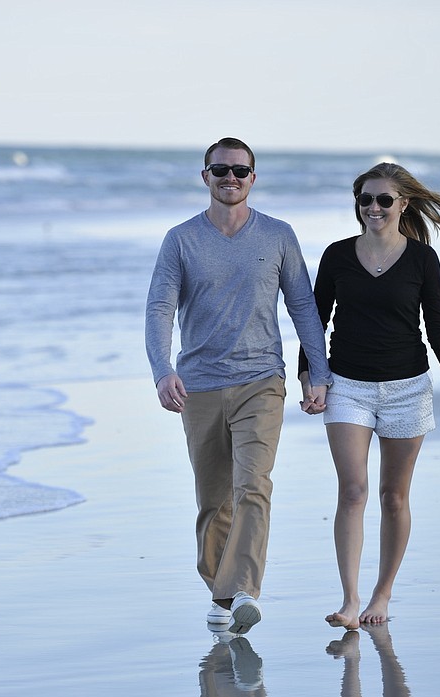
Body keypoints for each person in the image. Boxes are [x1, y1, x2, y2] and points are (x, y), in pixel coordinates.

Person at [146, 137, 332, 635]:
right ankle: (221, 594)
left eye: (240, 171)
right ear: (204, 176)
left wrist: (320, 371)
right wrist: (162, 371)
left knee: (254, 485)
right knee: (214, 501)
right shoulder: (180, 239)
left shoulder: (278, 236)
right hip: (199, 385)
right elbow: (160, 309)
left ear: (254, 177)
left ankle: (244, 590)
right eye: (221, 170)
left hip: (261, 381)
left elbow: (304, 306)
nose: (231, 179)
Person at [298, 162, 440, 629]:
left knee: (393, 497)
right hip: (348, 387)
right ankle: (349, 600)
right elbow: (314, 320)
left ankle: (382, 595)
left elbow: (438, 328)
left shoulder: (423, 259)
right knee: (353, 490)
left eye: (385, 199)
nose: (374, 207)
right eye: (366, 199)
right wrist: (310, 377)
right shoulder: (338, 255)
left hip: (408, 389)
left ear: (403, 203)